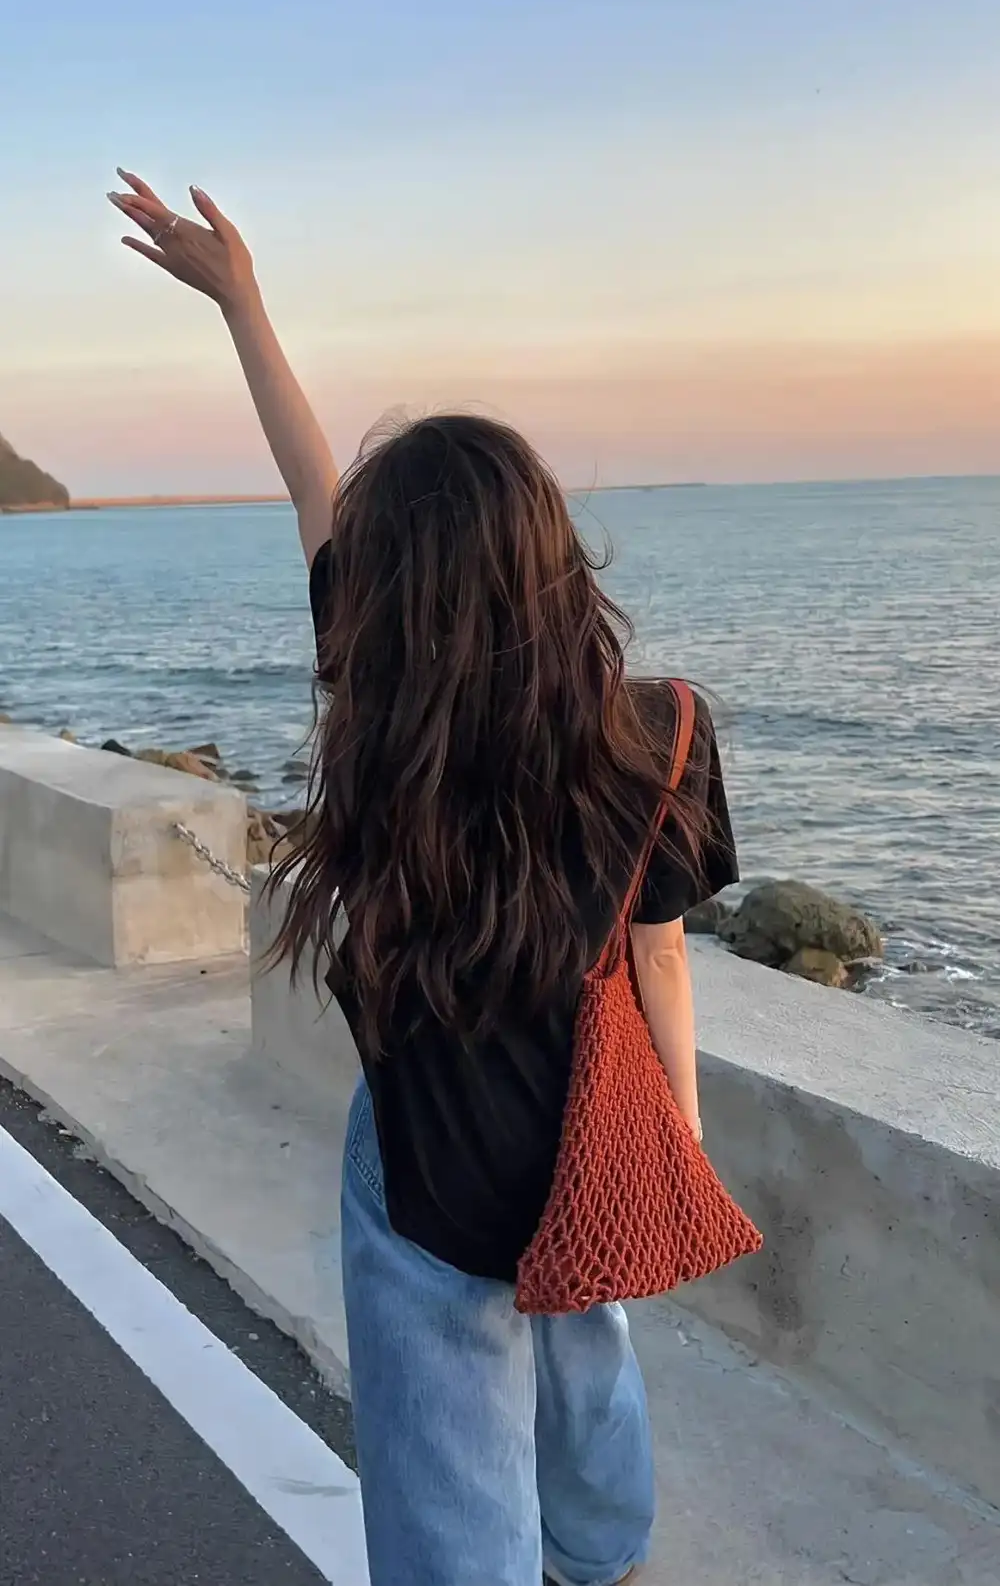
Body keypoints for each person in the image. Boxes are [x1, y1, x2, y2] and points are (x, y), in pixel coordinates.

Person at [108, 171, 741, 1586]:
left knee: (448, 1432)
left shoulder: (387, 714)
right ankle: (604, 1553)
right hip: (583, 1127)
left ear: (387, 593)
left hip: (432, 1148)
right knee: (585, 1332)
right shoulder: (665, 731)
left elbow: (309, 487)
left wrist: (241, 304)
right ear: (555, 558)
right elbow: (659, 956)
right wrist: (672, 1144)